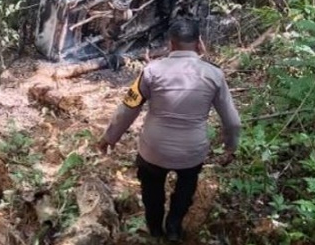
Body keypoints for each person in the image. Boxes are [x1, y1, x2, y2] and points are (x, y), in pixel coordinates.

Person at [97, 18, 242, 242]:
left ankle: (155, 228)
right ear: (199, 43)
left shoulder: (151, 71)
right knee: (185, 188)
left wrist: (110, 137)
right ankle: (174, 226)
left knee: (151, 190)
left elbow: (128, 108)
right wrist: (230, 147)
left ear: (170, 45)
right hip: (191, 152)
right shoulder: (214, 75)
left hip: (153, 149)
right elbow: (233, 122)